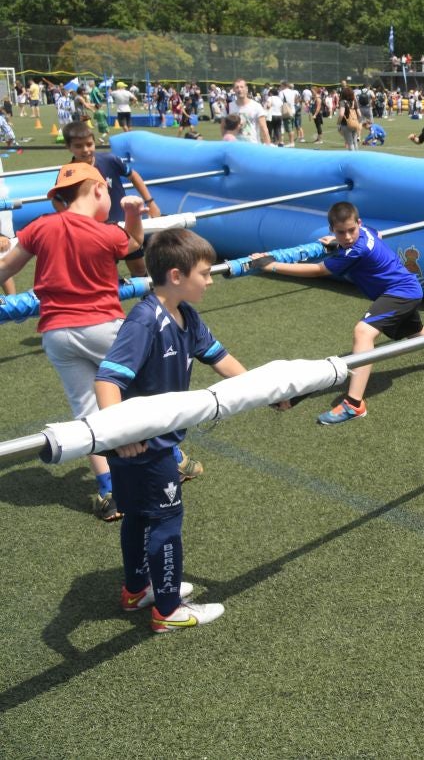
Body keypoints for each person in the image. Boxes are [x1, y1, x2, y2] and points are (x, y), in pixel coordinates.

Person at [94, 229, 290, 632]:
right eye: (205, 272)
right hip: (143, 444)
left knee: (136, 515)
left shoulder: (187, 315)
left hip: (147, 441)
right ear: (177, 275)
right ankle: (167, 611)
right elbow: (107, 379)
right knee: (166, 522)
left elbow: (220, 358)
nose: (211, 279)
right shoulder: (145, 319)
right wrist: (121, 433)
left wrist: (265, 391)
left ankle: (136, 590)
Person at [0, 164, 144, 520]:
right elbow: (135, 245)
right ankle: (169, 460)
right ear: (98, 190)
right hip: (103, 325)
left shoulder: (40, 227)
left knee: (86, 411)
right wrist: (131, 213)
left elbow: (5, 269)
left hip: (57, 334)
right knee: (139, 391)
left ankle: (109, 491)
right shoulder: (107, 233)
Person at [250, 201, 424, 425]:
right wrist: (337, 244)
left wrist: (271, 266)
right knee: (415, 332)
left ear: (359, 223)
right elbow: (375, 236)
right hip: (405, 289)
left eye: (351, 230)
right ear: (331, 230)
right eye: (340, 232)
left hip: (400, 292)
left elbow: (318, 270)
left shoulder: (356, 250)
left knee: (363, 332)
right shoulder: (367, 232)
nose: (347, 236)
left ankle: (354, 404)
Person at [63, 121, 160, 278]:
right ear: (69, 147)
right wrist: (75, 223)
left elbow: (134, 175)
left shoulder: (110, 160)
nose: (86, 150)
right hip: (96, 233)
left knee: (139, 270)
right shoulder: (68, 173)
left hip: (125, 227)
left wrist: (150, 202)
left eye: (89, 144)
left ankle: (148, 301)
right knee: (105, 275)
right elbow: (58, 199)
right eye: (79, 146)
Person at [230, 80, 271, 146]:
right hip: (235, 147)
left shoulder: (256, 106)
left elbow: (264, 128)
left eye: (241, 87)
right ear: (234, 90)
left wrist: (268, 146)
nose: (239, 89)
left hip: (253, 147)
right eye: (237, 87)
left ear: (246, 89)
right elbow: (224, 128)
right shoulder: (229, 107)